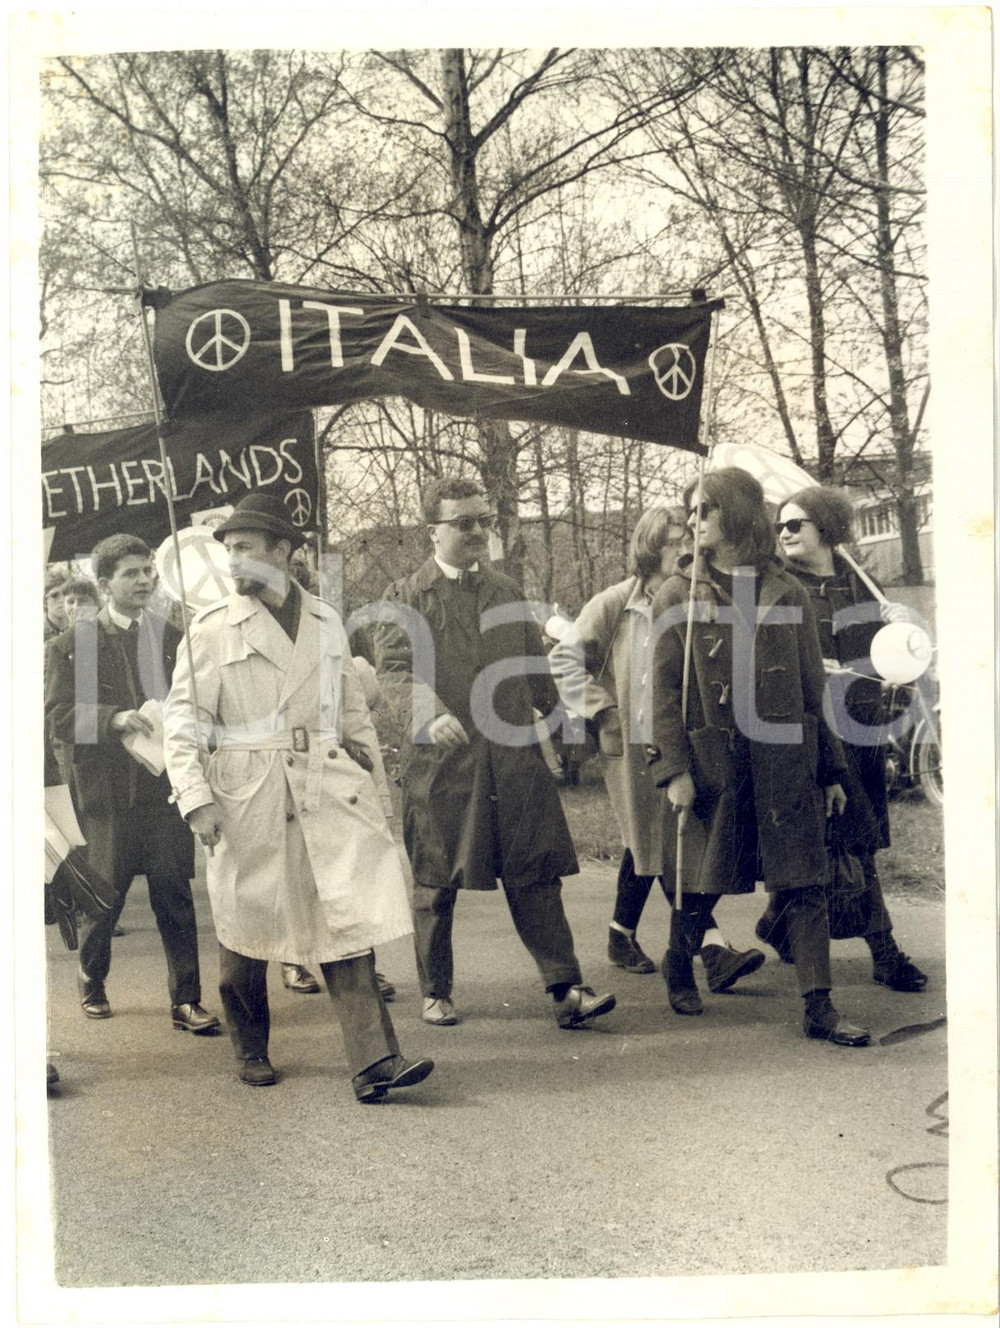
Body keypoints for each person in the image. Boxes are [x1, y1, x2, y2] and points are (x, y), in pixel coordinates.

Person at [163, 493, 432, 1102]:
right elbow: (181, 724)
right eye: (227, 549)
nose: (231, 561)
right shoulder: (209, 630)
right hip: (247, 791)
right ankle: (250, 1046)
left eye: (245, 548)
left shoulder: (325, 621)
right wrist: (196, 797)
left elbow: (353, 713)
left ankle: (375, 1062)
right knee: (246, 930)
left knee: (344, 918)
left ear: (282, 552)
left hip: (324, 780)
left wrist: (376, 794)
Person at [374, 475, 615, 1031]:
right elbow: (394, 671)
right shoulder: (404, 598)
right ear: (430, 532)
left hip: (512, 761)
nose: (479, 531)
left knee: (535, 875)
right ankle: (435, 990)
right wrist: (428, 713)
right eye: (464, 522)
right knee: (436, 882)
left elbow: (536, 670)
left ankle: (566, 987)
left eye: (484, 520)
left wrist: (568, 732)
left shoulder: (508, 592)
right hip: (442, 766)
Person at [646, 468, 870, 1046]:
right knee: (708, 877)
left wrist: (831, 769)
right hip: (715, 759)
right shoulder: (678, 594)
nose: (692, 523)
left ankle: (819, 1007)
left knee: (804, 878)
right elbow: (663, 694)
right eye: (689, 511)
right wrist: (673, 769)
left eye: (705, 511)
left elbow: (809, 687)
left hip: (785, 758)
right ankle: (679, 959)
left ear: (739, 516)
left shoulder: (786, 590)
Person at [548, 505, 765, 993]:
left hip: (677, 740)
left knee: (655, 840)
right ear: (649, 546)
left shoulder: (695, 597)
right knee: (659, 840)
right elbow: (563, 659)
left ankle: (620, 934)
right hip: (628, 742)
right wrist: (600, 708)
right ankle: (710, 948)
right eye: (674, 539)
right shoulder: (614, 602)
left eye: (690, 536)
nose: (686, 546)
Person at [45, 535, 220, 1033]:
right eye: (131, 574)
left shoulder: (171, 637)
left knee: (175, 894)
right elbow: (57, 718)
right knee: (106, 897)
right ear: (104, 585)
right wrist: (114, 718)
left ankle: (186, 1000)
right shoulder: (70, 647)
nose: (145, 580)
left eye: (148, 571)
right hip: (107, 794)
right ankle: (90, 976)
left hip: (165, 788)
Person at [759, 485, 927, 992]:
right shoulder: (782, 588)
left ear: (826, 529)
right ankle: (885, 951)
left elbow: (893, 659)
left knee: (849, 839)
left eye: (796, 524)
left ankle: (778, 926)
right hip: (814, 733)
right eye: (780, 526)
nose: (784, 533)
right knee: (849, 839)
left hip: (864, 729)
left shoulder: (862, 584)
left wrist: (905, 623)